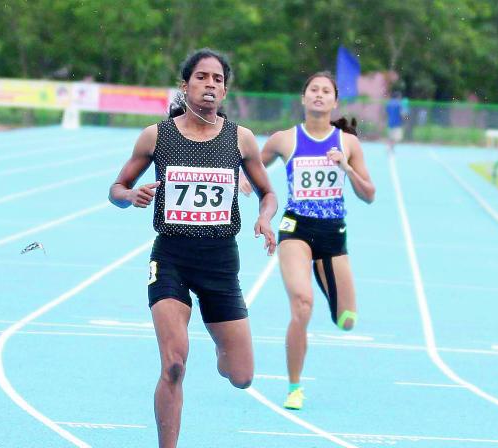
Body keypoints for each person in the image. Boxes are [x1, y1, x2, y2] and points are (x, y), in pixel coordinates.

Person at [109, 49, 277, 448]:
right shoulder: (157, 136)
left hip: (220, 263)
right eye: (202, 77)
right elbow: (115, 190)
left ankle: (223, 349)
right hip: (172, 258)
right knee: (173, 365)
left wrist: (265, 217)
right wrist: (130, 195)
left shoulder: (241, 139)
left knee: (242, 376)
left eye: (218, 79)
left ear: (225, 90)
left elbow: (268, 193)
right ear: (185, 86)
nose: (210, 85)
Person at [259, 71, 376, 411]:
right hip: (296, 228)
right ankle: (295, 387)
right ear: (303, 97)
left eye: (326, 91)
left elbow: (369, 195)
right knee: (301, 304)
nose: (319, 95)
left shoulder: (347, 143)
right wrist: (247, 183)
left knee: (347, 320)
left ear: (335, 101)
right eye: (313, 89)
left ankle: (330, 286)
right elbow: (253, 164)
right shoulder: (284, 139)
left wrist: (347, 168)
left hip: (333, 234)